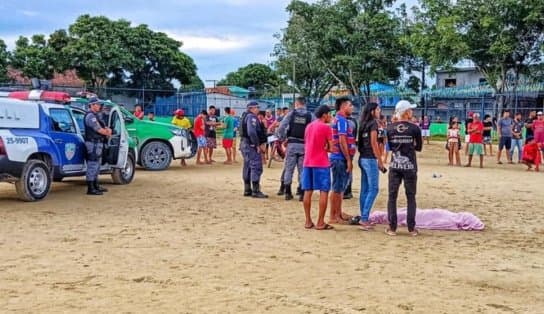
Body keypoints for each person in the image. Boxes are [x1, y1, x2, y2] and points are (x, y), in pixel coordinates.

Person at [385, 100, 422, 236]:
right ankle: (411, 228)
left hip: (394, 165)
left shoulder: (389, 128)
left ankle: (392, 227)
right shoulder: (415, 128)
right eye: (410, 110)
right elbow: (419, 147)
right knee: (411, 196)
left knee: (392, 196)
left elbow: (388, 146)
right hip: (410, 166)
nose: (412, 112)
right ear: (406, 112)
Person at [301, 105, 334, 230]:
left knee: (307, 191)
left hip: (308, 161)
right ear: (324, 115)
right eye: (329, 114)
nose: (330, 116)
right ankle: (320, 221)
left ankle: (308, 220)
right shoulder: (326, 128)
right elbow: (331, 148)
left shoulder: (309, 126)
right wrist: (326, 147)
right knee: (324, 191)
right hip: (321, 162)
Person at [277, 97, 313, 201]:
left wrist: (283, 138)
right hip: (304, 145)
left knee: (289, 169)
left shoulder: (291, 114)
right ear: (304, 104)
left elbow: (281, 127)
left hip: (292, 144)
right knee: (302, 170)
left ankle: (287, 192)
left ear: (296, 104)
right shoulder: (310, 115)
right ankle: (302, 193)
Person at [357, 102, 385, 230]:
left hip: (362, 158)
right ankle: (364, 218)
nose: (379, 112)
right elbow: (374, 143)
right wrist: (380, 160)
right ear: (373, 111)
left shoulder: (363, 124)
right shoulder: (373, 124)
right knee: (373, 189)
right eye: (378, 109)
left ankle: (364, 216)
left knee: (365, 189)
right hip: (370, 158)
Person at [329, 97, 356, 224]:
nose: (352, 108)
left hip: (339, 157)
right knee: (337, 188)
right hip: (339, 158)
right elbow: (342, 140)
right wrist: (348, 159)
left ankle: (338, 213)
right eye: (350, 105)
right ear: (343, 106)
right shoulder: (341, 120)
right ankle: (334, 216)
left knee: (340, 188)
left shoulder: (341, 120)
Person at [84, 97, 112, 195]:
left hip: (97, 143)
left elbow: (102, 127)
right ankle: (90, 188)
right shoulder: (90, 116)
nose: (99, 106)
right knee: (93, 164)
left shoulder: (96, 115)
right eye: (97, 104)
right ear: (92, 105)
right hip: (93, 143)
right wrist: (107, 132)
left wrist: (107, 130)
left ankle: (95, 185)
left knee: (97, 165)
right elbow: (98, 129)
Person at [240, 101, 268, 198]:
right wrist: (256, 144)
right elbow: (251, 132)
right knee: (256, 165)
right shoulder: (251, 117)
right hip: (250, 144)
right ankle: (256, 190)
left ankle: (247, 189)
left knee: (247, 166)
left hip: (244, 144)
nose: (258, 109)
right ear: (251, 108)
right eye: (257, 107)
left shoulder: (244, 116)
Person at [343, 113, 358, 200]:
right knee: (348, 169)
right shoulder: (353, 120)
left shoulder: (348, 122)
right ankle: (347, 190)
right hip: (351, 147)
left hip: (347, 148)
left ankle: (347, 190)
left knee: (347, 169)